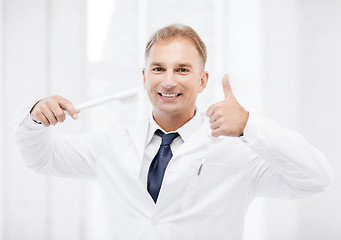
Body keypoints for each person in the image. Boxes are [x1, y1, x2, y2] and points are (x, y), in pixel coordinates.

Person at [14, 24, 333, 240]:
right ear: (144, 76)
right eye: (158, 69)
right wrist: (35, 118)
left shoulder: (238, 150)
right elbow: (42, 159)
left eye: (182, 69)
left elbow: (315, 179)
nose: (168, 81)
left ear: (203, 80)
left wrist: (250, 124)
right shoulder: (111, 142)